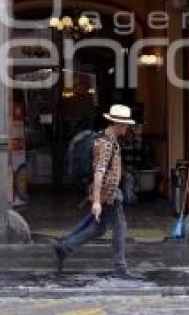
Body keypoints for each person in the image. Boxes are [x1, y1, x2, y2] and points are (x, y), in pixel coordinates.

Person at [52, 104, 138, 279]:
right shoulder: (105, 144)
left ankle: (65, 248)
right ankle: (120, 268)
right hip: (108, 195)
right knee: (120, 227)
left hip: (110, 192)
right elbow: (99, 172)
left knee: (99, 228)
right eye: (126, 124)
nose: (127, 128)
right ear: (118, 124)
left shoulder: (109, 141)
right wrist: (97, 201)